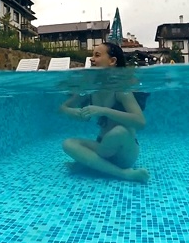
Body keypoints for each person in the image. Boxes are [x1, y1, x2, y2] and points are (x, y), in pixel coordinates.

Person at [60, 43, 150, 184]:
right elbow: (63, 107)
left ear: (112, 61)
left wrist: (103, 110)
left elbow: (140, 121)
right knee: (68, 143)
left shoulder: (120, 89)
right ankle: (117, 172)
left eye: (97, 55)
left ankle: (92, 163)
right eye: (92, 55)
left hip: (125, 151)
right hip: (102, 147)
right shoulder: (91, 88)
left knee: (118, 131)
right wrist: (73, 111)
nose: (91, 59)